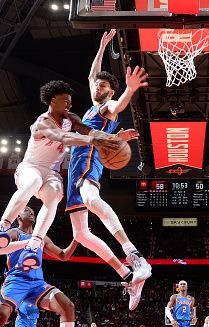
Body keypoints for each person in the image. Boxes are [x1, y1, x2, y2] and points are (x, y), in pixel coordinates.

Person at [0, 79, 120, 271]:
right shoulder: (42, 122)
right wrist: (92, 140)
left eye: (70, 102)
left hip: (51, 172)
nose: (70, 105)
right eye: (65, 101)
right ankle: (1, 229)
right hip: (31, 167)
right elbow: (63, 137)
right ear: (53, 101)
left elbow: (88, 130)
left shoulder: (70, 118)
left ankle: (34, 244)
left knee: (55, 193)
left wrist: (112, 138)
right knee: (33, 182)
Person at [65, 30, 151, 311]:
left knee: (91, 200)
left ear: (109, 91)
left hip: (89, 162)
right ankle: (128, 276)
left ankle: (135, 255)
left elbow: (118, 106)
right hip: (75, 168)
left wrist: (129, 89)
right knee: (80, 234)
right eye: (97, 85)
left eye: (103, 85)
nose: (97, 86)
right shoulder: (92, 106)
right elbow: (92, 75)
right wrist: (101, 47)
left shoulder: (105, 108)